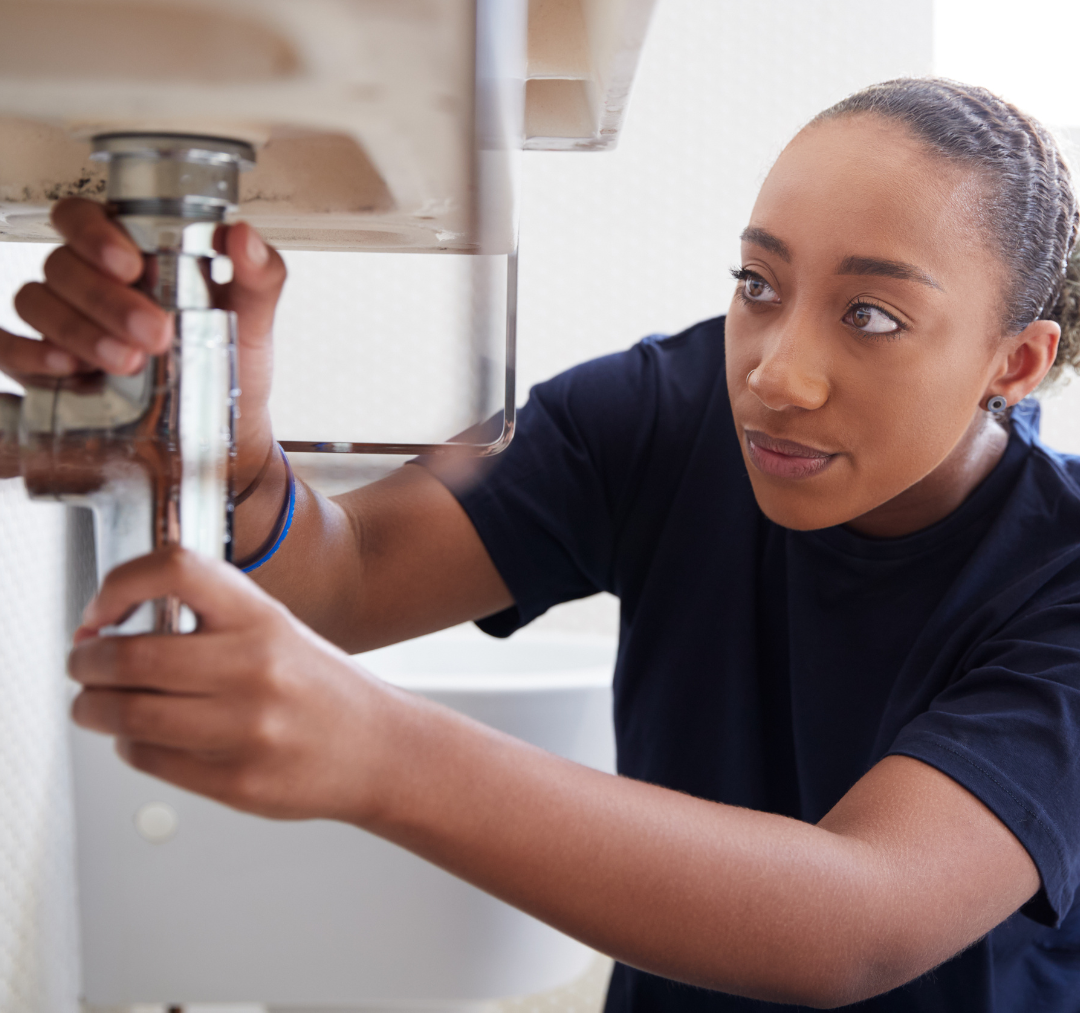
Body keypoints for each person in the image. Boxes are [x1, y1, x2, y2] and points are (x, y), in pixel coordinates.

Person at [6, 78, 1080, 1011]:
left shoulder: (1061, 577)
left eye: (873, 317)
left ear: (1016, 362)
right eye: (759, 285)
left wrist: (381, 750)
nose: (775, 373)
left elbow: (860, 916)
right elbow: (349, 575)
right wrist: (229, 450)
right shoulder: (665, 411)